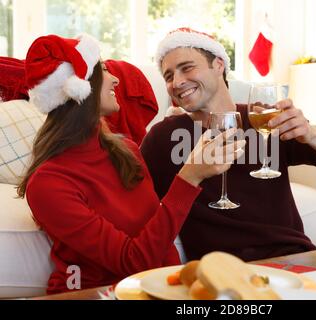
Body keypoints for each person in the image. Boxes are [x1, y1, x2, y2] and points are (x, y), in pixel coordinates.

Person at [16, 33, 244, 294]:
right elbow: (134, 261)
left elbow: (158, 237)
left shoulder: (127, 150)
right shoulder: (48, 183)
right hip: (96, 294)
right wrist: (189, 178)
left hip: (160, 288)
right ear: (79, 87)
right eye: (102, 69)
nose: (115, 78)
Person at [140, 28, 316, 262]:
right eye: (168, 76)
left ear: (218, 65)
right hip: (224, 272)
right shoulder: (164, 137)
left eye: (187, 68)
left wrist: (310, 132)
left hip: (290, 259)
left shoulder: (263, 117)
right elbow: (134, 207)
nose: (177, 82)